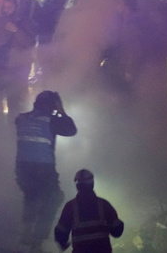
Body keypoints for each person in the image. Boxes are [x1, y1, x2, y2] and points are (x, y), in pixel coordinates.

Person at [15, 91, 77, 252]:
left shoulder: (21, 118)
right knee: (54, 198)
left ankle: (26, 232)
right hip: (43, 167)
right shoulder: (52, 120)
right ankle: (37, 242)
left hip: (22, 167)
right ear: (52, 105)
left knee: (32, 196)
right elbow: (71, 130)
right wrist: (61, 110)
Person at [54, 169, 124, 252]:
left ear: (77, 186)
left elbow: (60, 233)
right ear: (92, 184)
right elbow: (117, 231)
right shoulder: (104, 204)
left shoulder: (70, 207)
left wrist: (63, 243)